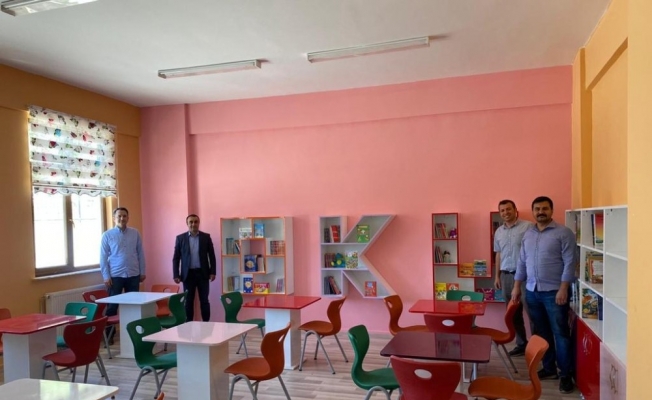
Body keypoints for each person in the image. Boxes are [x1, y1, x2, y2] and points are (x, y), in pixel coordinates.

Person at [512, 196, 576, 394]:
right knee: (541, 334)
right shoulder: (528, 234)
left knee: (560, 334)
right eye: (537, 209)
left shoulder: (564, 233)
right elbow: (522, 262)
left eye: (545, 208)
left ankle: (565, 375)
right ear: (533, 211)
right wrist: (516, 286)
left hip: (555, 293)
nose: (541, 212)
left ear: (551, 210)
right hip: (532, 292)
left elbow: (570, 262)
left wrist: (563, 288)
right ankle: (549, 369)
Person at [100, 207, 147, 341]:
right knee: (112, 306)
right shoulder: (107, 235)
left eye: (124, 216)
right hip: (115, 276)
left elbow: (140, 253)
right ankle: (110, 336)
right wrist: (106, 276)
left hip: (133, 274)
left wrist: (142, 271)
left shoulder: (135, 233)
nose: (122, 218)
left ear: (128, 217)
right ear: (114, 218)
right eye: (119, 216)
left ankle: (133, 335)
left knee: (133, 306)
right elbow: (103, 257)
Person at [493, 199, 533, 357]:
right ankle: (521, 344)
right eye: (502, 210)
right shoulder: (498, 232)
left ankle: (538, 348)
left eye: (508, 209)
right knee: (513, 314)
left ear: (515, 210)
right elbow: (498, 254)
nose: (505, 213)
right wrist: (497, 276)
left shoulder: (528, 227)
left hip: (525, 277)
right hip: (506, 277)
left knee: (533, 313)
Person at [172, 214, 217, 322]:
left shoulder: (206, 237)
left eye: (195, 222)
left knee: (204, 301)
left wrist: (213, 272)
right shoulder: (180, 238)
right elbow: (176, 258)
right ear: (187, 224)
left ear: (199, 223)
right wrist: (176, 274)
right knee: (188, 302)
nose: (193, 224)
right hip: (188, 275)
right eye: (191, 222)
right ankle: (189, 324)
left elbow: (212, 256)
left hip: (203, 274)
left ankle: (206, 324)